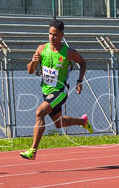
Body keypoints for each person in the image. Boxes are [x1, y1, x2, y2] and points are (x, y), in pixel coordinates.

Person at [20, 20, 93, 160]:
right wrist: (34, 62)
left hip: (61, 91)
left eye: (55, 35)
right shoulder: (41, 49)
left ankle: (32, 150)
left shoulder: (69, 52)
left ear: (61, 35)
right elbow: (30, 71)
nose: (51, 37)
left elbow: (83, 63)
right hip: (46, 91)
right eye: (49, 34)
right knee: (59, 124)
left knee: (39, 113)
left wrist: (79, 81)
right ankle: (83, 121)